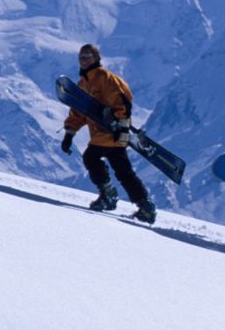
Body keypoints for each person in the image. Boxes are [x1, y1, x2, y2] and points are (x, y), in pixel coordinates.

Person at [60, 44, 157, 224]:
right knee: (123, 172)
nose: (83, 60)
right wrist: (69, 134)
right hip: (104, 135)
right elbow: (79, 113)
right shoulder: (83, 83)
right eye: (80, 57)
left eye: (87, 56)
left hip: (111, 133)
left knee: (92, 158)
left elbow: (123, 101)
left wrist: (121, 125)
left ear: (96, 58)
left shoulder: (106, 78)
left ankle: (108, 196)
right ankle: (145, 206)